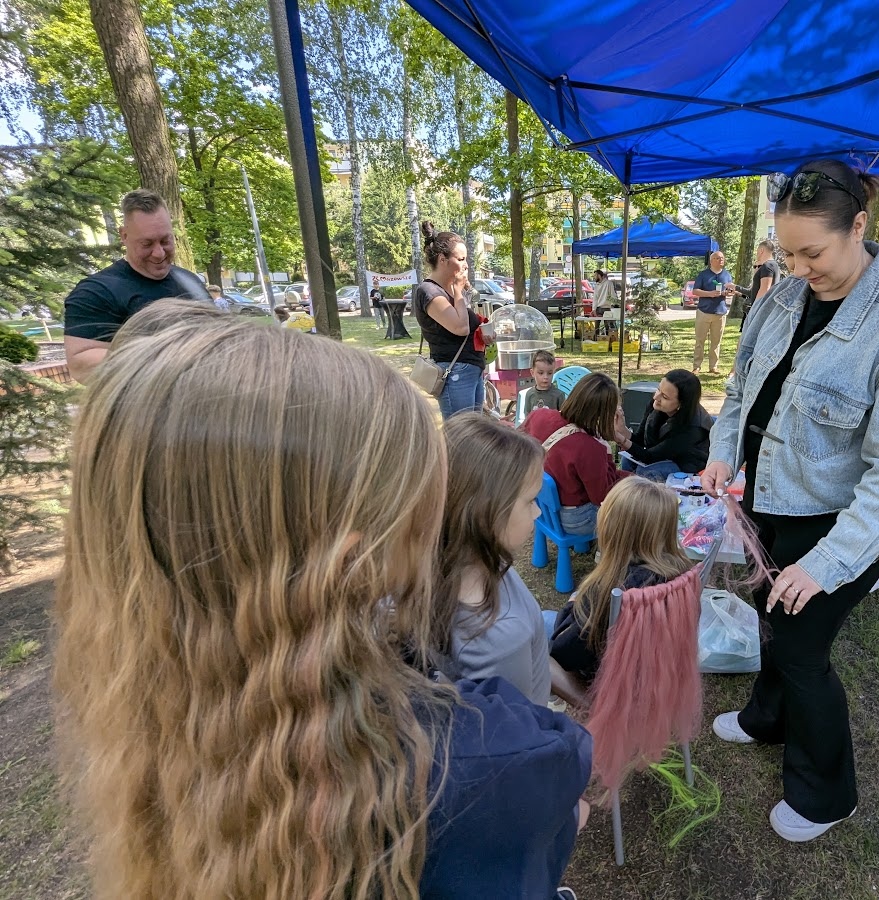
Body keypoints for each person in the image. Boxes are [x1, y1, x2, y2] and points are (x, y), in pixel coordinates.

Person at [54, 308, 592, 899]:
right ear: (353, 566)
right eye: (423, 514)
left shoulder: (170, 763)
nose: (437, 533)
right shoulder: (487, 764)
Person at [701, 159, 879, 844]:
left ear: (860, 227)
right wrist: (723, 447)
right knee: (772, 620)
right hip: (767, 497)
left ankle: (825, 794)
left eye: (811, 251)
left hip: (835, 523)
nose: (797, 267)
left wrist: (827, 562)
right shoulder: (779, 298)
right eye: (786, 252)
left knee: (804, 648)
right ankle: (765, 719)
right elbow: (740, 384)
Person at [435, 413, 552, 705]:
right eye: (530, 501)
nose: (537, 513)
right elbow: (519, 732)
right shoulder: (499, 641)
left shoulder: (475, 557)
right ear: (488, 514)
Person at [549, 476, 693, 685]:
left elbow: (564, 653)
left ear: (613, 528)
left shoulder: (608, 587)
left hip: (610, 678)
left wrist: (572, 606)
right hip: (654, 669)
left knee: (541, 621)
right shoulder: (680, 570)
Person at [63, 188, 208, 382]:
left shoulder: (190, 280)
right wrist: (174, 357)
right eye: (147, 244)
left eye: (165, 241)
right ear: (124, 236)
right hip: (146, 411)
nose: (159, 253)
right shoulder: (96, 292)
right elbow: (81, 365)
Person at [522, 372, 632, 535]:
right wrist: (608, 454)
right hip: (574, 520)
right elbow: (601, 496)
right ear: (605, 414)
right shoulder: (590, 448)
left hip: (542, 506)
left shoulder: (539, 415)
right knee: (634, 510)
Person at [412, 222, 486, 419]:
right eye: (460, 259)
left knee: (474, 434)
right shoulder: (429, 291)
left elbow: (467, 327)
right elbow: (460, 327)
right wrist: (459, 292)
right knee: (460, 437)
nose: (466, 265)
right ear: (442, 259)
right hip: (455, 372)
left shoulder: (450, 291)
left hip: (471, 369)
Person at [621, 369, 714, 480]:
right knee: (627, 459)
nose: (656, 397)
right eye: (658, 390)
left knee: (647, 472)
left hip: (686, 464)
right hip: (662, 455)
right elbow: (640, 440)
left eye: (665, 397)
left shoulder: (693, 428)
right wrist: (622, 430)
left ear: (681, 404)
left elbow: (649, 457)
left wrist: (621, 440)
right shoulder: (657, 404)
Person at [690, 250, 737, 374]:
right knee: (700, 340)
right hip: (704, 311)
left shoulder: (727, 275)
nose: (721, 260)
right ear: (711, 261)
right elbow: (695, 291)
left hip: (720, 312)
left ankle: (713, 366)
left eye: (722, 258)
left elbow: (730, 290)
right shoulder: (703, 274)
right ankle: (697, 366)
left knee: (716, 341)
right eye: (717, 258)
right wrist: (709, 294)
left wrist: (728, 293)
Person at [743, 240, 781, 326]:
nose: (757, 254)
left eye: (757, 251)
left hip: (761, 309)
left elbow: (765, 289)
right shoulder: (774, 265)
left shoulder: (767, 266)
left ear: (761, 250)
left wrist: (755, 308)